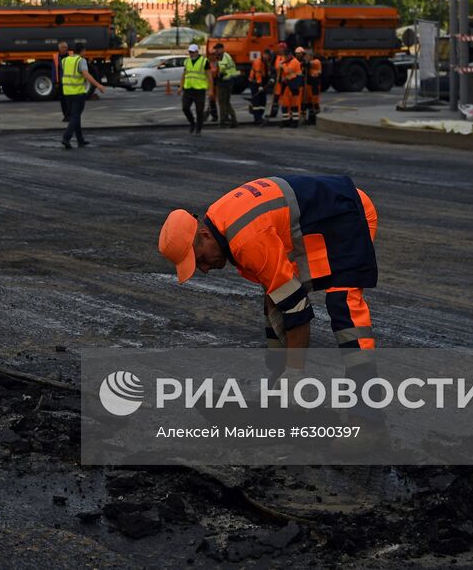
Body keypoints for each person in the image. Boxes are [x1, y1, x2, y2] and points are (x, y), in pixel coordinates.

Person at [158, 175, 381, 433]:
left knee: (343, 307)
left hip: (349, 215)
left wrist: (295, 372)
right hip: (322, 220)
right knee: (277, 298)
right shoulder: (219, 220)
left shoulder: (245, 240)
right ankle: (279, 395)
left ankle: (368, 421)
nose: (205, 270)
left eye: (200, 260)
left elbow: (297, 309)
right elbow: (280, 294)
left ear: (204, 235)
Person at [61, 43, 106, 149]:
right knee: (75, 117)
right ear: (81, 51)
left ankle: (80, 140)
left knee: (75, 116)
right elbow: (86, 75)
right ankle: (66, 138)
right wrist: (98, 85)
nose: (85, 53)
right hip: (78, 93)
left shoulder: (65, 60)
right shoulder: (81, 61)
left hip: (67, 93)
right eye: (84, 51)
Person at [180, 42, 213, 135]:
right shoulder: (187, 61)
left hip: (200, 90)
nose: (191, 54)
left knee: (199, 111)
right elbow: (184, 74)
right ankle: (192, 123)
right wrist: (181, 86)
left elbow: (209, 76)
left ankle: (198, 129)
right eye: (190, 52)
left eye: (193, 52)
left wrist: (211, 90)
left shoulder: (204, 61)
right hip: (188, 89)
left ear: (197, 52)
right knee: (185, 108)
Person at [278, 44, 305, 128]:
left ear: (290, 55)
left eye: (286, 56)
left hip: (295, 86)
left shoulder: (294, 62)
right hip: (289, 85)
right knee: (285, 104)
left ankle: (295, 122)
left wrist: (282, 65)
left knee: (294, 105)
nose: (285, 58)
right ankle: (286, 121)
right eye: (284, 56)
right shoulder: (287, 61)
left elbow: (287, 71)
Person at [214, 41, 240, 128]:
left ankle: (224, 121)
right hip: (226, 81)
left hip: (225, 81)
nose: (216, 51)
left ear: (222, 49)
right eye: (215, 49)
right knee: (224, 102)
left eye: (217, 49)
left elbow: (222, 69)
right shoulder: (224, 56)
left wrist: (218, 75)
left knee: (223, 102)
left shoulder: (224, 57)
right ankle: (230, 120)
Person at [297, 46, 322, 126]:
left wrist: (305, 62)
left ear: (311, 56)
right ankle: (310, 119)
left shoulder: (316, 61)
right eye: (305, 56)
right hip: (308, 85)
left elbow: (311, 64)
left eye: (307, 56)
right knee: (308, 103)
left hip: (314, 85)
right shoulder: (306, 63)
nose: (305, 57)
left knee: (315, 102)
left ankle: (317, 119)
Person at [248, 50, 268, 125]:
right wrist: (260, 85)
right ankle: (257, 118)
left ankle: (260, 116)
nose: (268, 58)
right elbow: (258, 75)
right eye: (267, 56)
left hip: (260, 82)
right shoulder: (258, 62)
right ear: (264, 54)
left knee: (262, 101)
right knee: (257, 101)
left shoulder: (265, 62)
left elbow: (265, 73)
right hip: (254, 83)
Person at [54, 40, 70, 121]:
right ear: (59, 48)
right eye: (63, 47)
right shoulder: (56, 57)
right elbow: (54, 70)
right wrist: (55, 81)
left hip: (69, 82)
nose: (65, 49)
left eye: (66, 47)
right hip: (61, 82)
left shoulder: (71, 55)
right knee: (63, 100)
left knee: (69, 100)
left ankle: (68, 116)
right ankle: (66, 115)